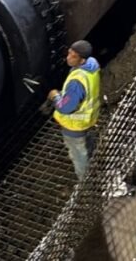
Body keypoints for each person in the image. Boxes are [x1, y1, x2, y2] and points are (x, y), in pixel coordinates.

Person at [48, 40, 102, 180]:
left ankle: (85, 182)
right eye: (69, 53)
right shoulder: (91, 67)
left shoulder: (77, 81)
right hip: (88, 118)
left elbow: (66, 108)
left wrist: (55, 97)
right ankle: (94, 161)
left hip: (74, 125)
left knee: (78, 155)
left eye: (73, 56)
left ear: (81, 59)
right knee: (87, 144)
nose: (68, 58)